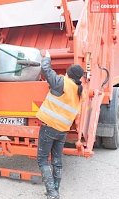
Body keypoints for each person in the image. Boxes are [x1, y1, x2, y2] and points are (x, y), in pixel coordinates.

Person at [36, 51, 84, 199]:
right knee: (57, 160)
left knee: (42, 159)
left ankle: (51, 192)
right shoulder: (78, 90)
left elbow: (46, 70)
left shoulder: (62, 83)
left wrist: (47, 58)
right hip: (62, 130)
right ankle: (55, 189)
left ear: (68, 74)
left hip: (49, 126)